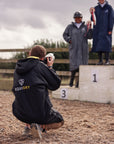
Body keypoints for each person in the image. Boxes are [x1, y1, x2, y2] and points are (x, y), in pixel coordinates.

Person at [12, 45, 64, 137]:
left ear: (29, 54)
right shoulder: (40, 66)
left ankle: (28, 125)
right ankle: (39, 126)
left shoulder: (18, 68)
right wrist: (50, 67)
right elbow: (55, 84)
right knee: (60, 121)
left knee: (25, 95)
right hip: (40, 112)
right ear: (43, 57)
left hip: (19, 112)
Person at [63, 11, 93, 87]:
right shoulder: (70, 27)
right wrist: (69, 40)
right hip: (74, 49)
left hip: (83, 49)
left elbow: (89, 37)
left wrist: (90, 28)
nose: (77, 19)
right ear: (74, 18)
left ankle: (79, 84)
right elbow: (64, 34)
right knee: (74, 67)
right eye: (76, 18)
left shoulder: (85, 26)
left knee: (82, 67)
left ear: (81, 18)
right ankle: (71, 82)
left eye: (79, 17)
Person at [90, 0, 114, 65]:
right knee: (98, 45)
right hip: (98, 30)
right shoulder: (96, 8)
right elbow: (93, 20)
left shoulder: (109, 8)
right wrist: (91, 12)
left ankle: (107, 60)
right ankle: (100, 61)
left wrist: (110, 29)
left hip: (106, 30)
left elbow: (111, 19)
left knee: (107, 44)